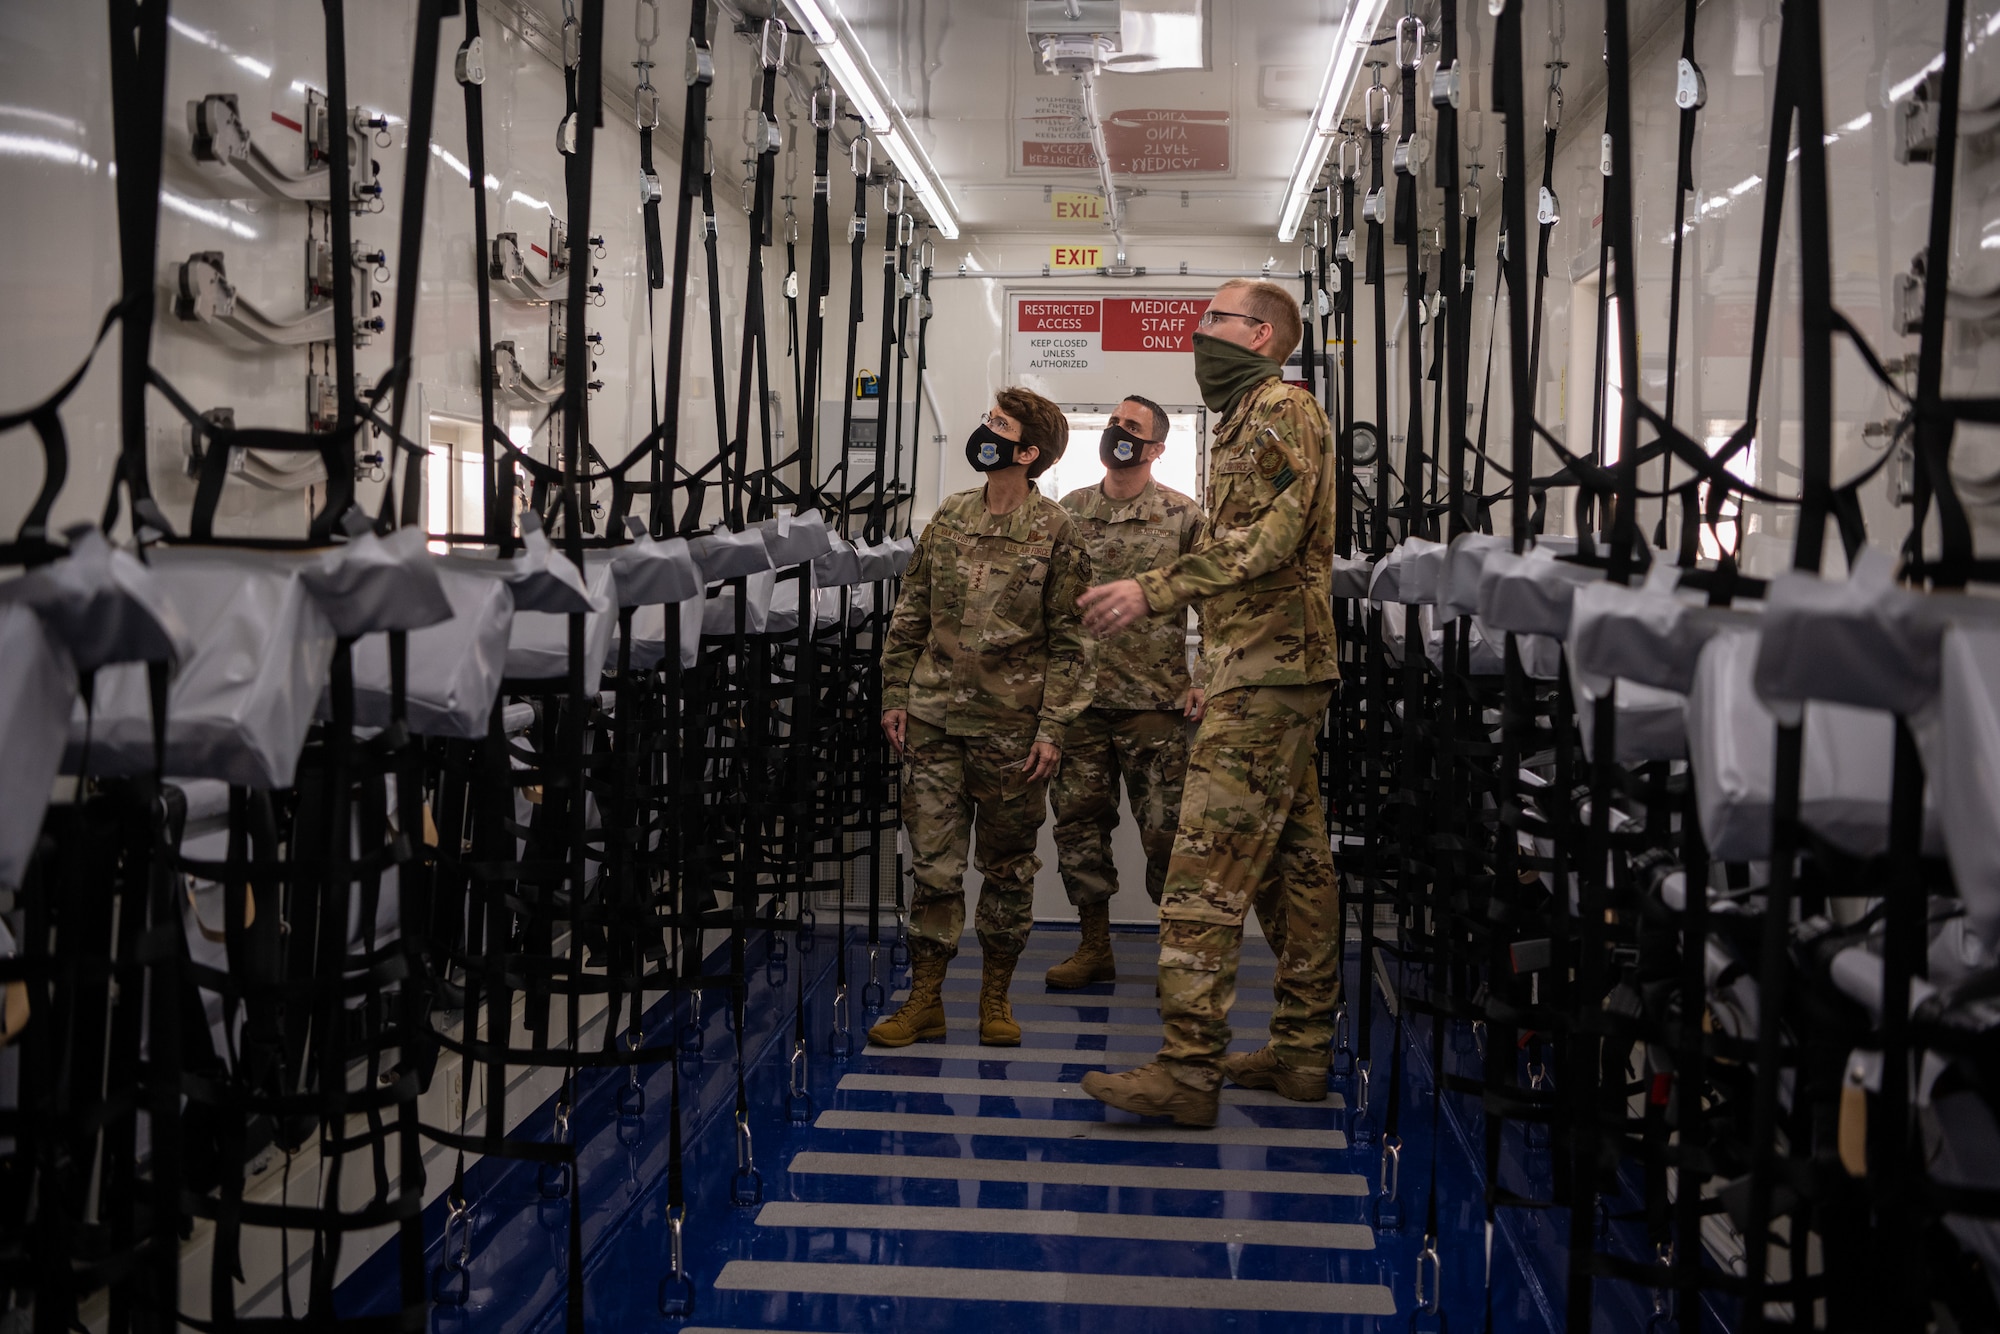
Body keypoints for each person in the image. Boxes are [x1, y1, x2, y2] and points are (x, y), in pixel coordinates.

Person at [1076, 279, 1342, 1127]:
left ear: (1261, 334)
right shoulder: (1245, 419)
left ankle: (1189, 1070)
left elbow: (1266, 541)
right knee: (1294, 871)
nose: (1199, 332)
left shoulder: (1281, 411)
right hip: (1261, 666)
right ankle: (1302, 1055)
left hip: (1268, 669)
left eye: (1214, 318)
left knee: (1201, 871)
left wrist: (1154, 590)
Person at [873, 387, 1095, 1048]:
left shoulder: (1057, 529)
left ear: (1028, 452)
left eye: (999, 426)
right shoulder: (949, 517)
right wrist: (894, 692)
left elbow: (1073, 643)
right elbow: (911, 610)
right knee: (934, 870)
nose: (985, 432)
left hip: (1013, 735)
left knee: (1007, 869)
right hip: (934, 723)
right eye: (988, 421)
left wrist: (1054, 730)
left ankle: (994, 998)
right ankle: (926, 1000)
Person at [1044, 395, 1207, 989]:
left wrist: (1205, 677)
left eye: (1131, 427)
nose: (1117, 432)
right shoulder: (1070, 511)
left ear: (1157, 447)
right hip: (1081, 706)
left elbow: (1219, 604)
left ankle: (1176, 959)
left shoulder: (1183, 516)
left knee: (1167, 837)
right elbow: (1050, 607)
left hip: (1154, 707)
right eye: (1113, 423)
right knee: (1078, 829)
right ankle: (1094, 947)